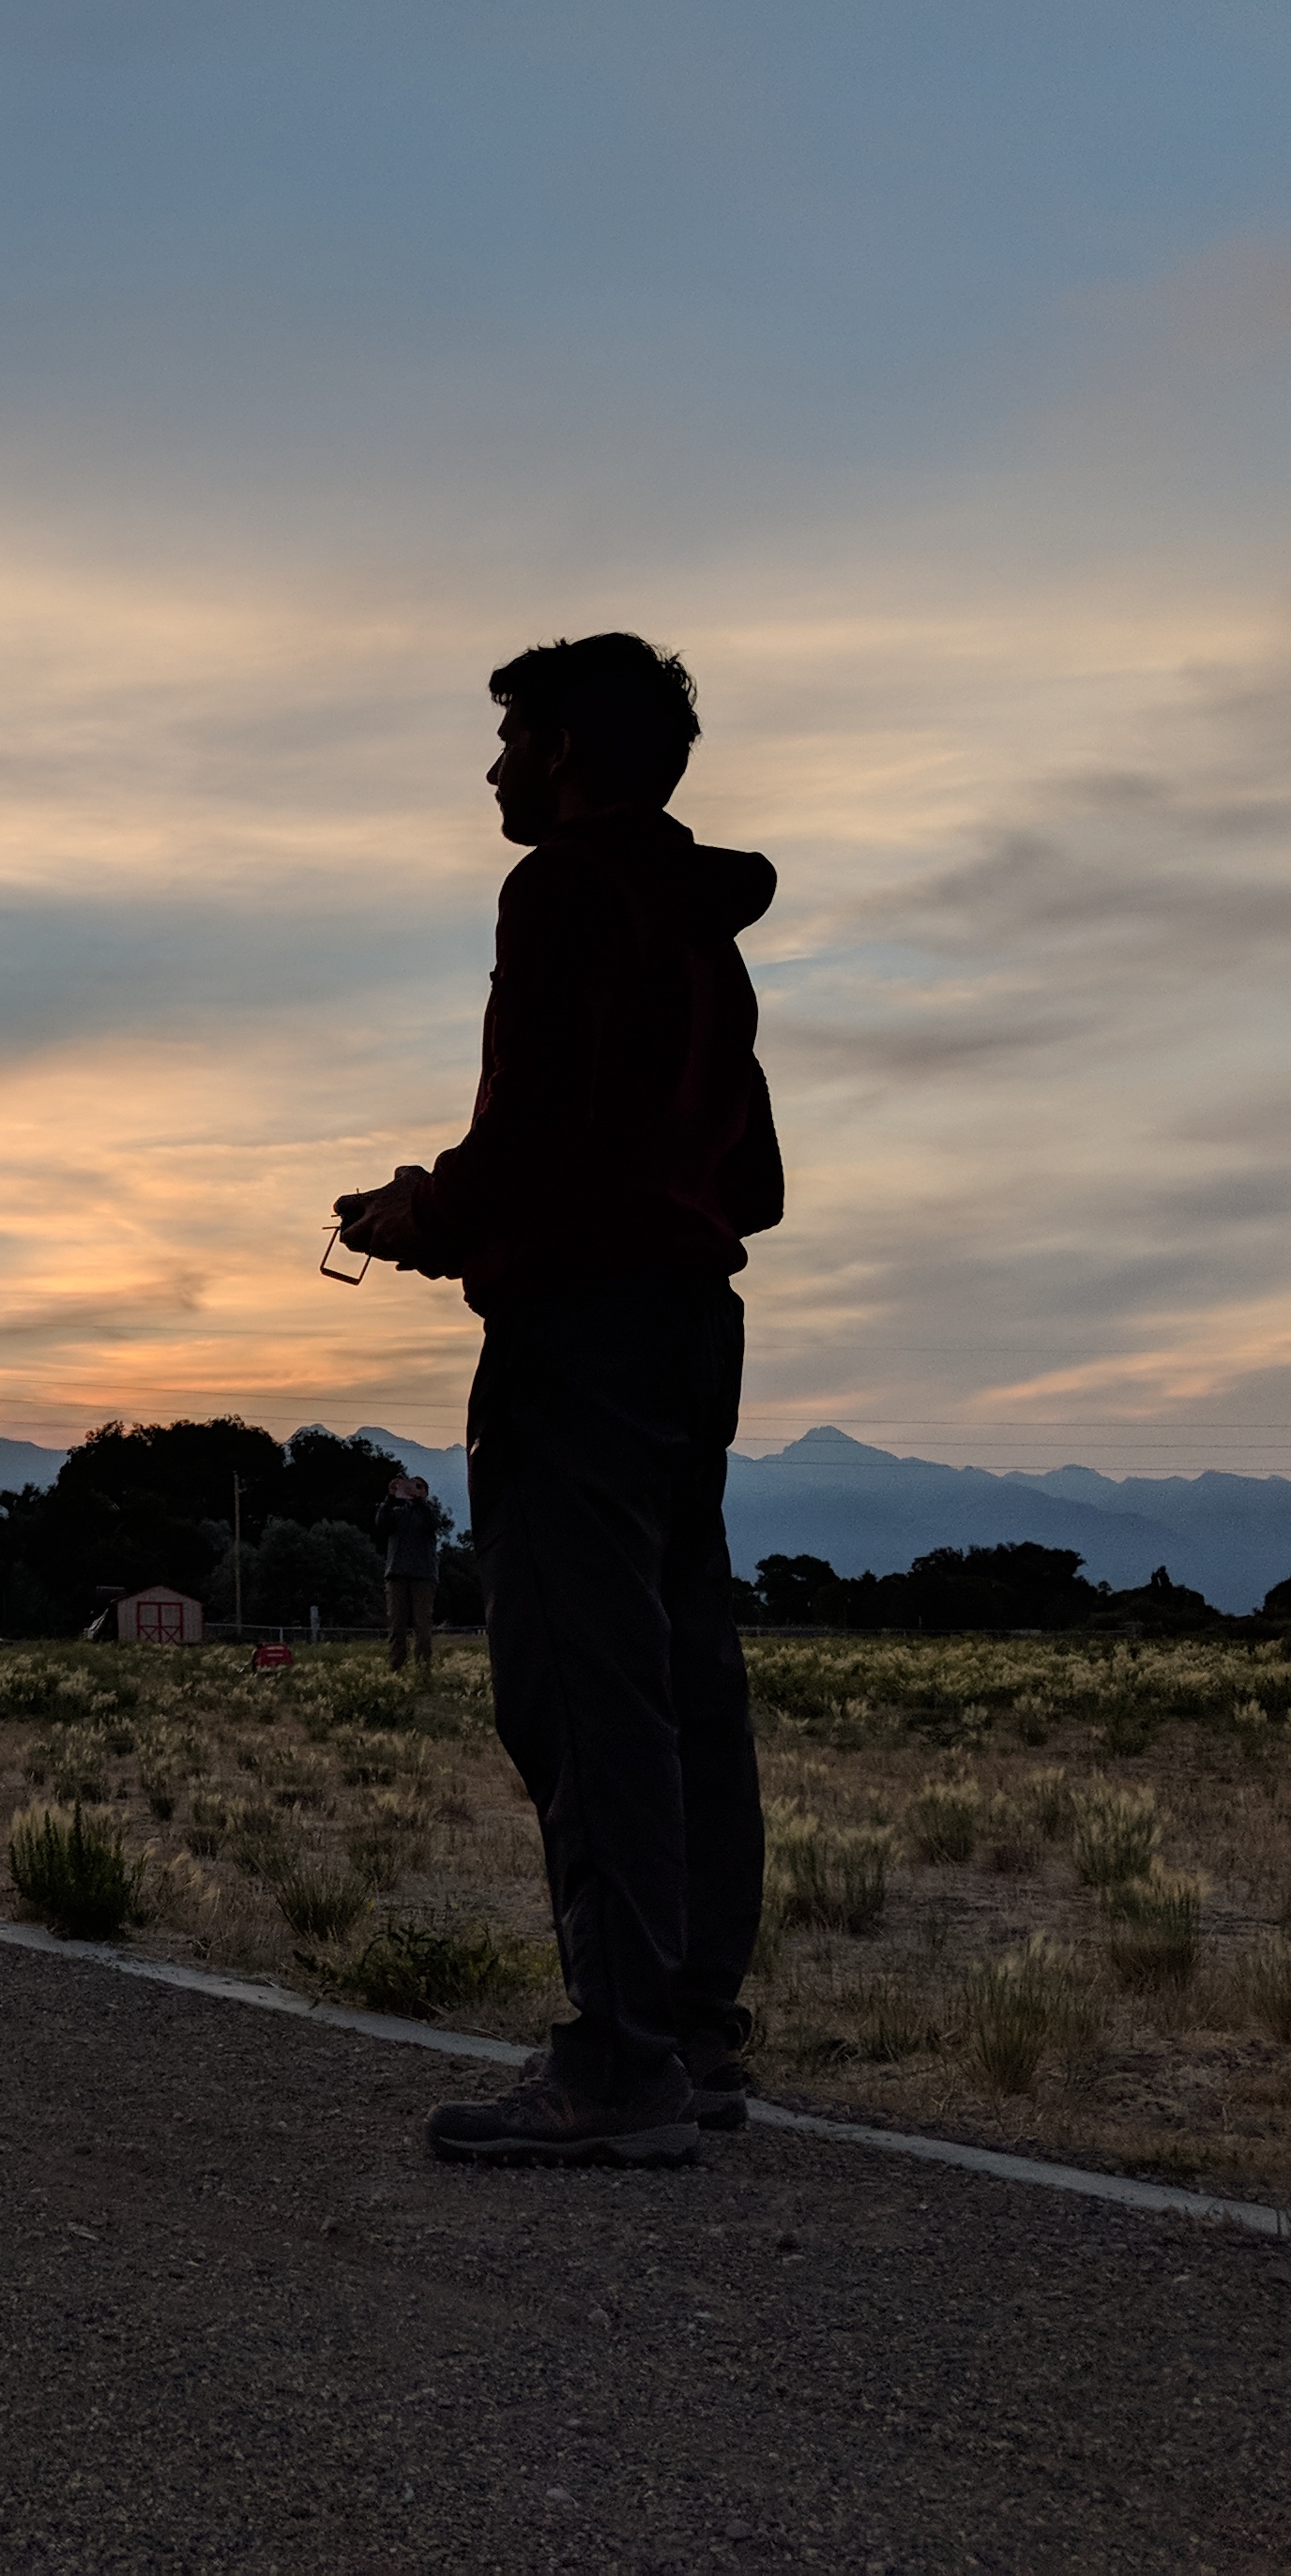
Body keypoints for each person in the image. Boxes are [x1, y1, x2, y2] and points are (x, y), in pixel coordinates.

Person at [336, 631, 782, 2170]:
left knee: (583, 1684)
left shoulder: (563, 893)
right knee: (680, 1672)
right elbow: (758, 1182)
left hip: (576, 1336)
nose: (493, 765)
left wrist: (426, 1210)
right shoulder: (698, 926)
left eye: (515, 737)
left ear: (574, 754)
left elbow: (534, 1137)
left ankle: (615, 2060)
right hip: (688, 1327)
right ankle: (696, 2033)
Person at [374, 1475, 446, 1674]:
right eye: (411, 1486)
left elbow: (433, 1523)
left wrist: (419, 1502)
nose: (415, 1489)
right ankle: (396, 1669)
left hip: (423, 1577)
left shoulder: (431, 1512)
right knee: (397, 1626)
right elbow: (381, 1523)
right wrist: (390, 1498)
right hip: (397, 1574)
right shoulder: (396, 1513)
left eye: (419, 1486)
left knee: (422, 1627)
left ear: (426, 1492)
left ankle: (423, 1670)